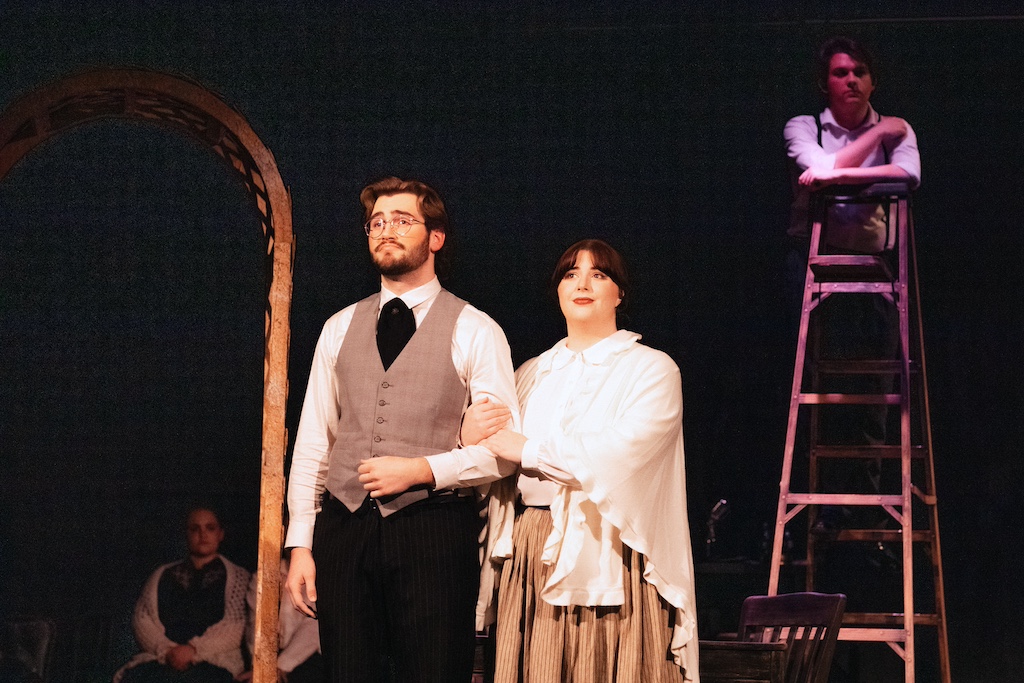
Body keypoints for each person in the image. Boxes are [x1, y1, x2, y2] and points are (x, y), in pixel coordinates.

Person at [284, 176, 520, 683]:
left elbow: (505, 452)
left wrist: (422, 469)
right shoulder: (339, 326)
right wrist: (301, 544)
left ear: (435, 237)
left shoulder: (475, 328)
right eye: (376, 222)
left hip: (432, 528)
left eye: (403, 220)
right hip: (344, 529)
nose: (386, 230)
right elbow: (313, 445)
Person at [463, 239, 699, 683]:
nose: (582, 283)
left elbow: (622, 452)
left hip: (610, 545)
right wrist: (468, 434)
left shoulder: (651, 369)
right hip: (532, 542)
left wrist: (527, 450)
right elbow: (491, 456)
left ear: (619, 293)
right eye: (570, 274)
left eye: (599, 274)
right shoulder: (530, 373)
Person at [783, 37, 922, 530]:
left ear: (872, 80)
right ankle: (815, 511)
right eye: (841, 73)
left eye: (860, 72)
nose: (851, 80)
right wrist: (881, 132)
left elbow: (907, 175)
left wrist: (836, 178)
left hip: (876, 270)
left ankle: (868, 515)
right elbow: (817, 168)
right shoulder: (805, 126)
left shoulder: (897, 131)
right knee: (816, 387)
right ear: (826, 82)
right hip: (814, 268)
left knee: (874, 392)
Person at [114, 507, 249, 683]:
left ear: (220, 534)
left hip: (213, 660)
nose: (202, 534)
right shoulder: (162, 574)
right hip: (162, 660)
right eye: (195, 528)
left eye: (210, 528)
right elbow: (142, 619)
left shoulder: (238, 577)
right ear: (186, 534)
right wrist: (168, 651)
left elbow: (237, 624)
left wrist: (194, 650)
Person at [239, 557, 322, 683]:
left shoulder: (321, 575)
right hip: (270, 654)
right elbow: (256, 623)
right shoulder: (266, 574)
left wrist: (281, 665)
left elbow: (313, 628)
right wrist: (262, 666)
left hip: (307, 655)